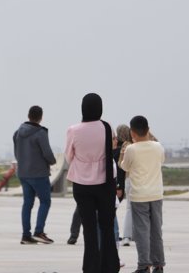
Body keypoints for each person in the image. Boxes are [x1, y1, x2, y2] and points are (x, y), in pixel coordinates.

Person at [65, 93, 121, 273]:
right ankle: (110, 266)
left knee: (89, 229)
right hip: (105, 182)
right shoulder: (106, 127)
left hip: (82, 184)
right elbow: (111, 150)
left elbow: (68, 156)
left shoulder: (73, 130)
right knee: (106, 226)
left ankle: (91, 268)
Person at [120, 115, 165, 273]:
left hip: (139, 195)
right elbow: (162, 161)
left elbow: (124, 167)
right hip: (156, 194)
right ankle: (159, 265)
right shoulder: (158, 147)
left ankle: (144, 265)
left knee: (141, 232)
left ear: (132, 132)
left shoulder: (131, 149)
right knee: (156, 231)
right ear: (148, 129)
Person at [13, 105, 56, 245]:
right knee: (45, 201)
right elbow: (47, 153)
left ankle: (26, 235)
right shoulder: (40, 133)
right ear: (41, 117)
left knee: (27, 203)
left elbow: (16, 152)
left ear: (28, 115)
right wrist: (53, 161)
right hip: (39, 173)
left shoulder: (18, 132)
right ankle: (38, 232)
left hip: (23, 173)